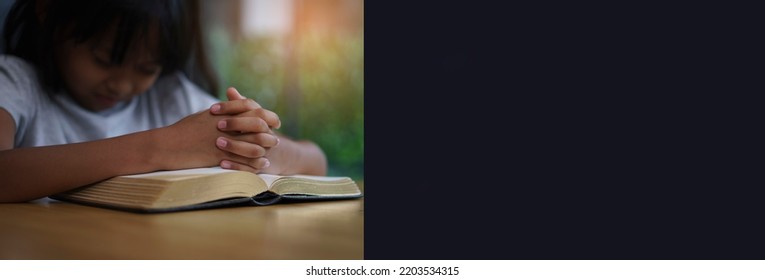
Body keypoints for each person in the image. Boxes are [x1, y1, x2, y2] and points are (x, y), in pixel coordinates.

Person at [0, 0, 327, 202]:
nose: (123, 84)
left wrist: (261, 147)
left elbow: (316, 161)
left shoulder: (167, 95)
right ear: (47, 9)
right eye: (103, 59)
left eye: (146, 68)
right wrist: (160, 147)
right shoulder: (16, 83)